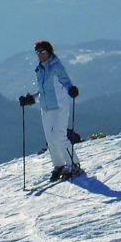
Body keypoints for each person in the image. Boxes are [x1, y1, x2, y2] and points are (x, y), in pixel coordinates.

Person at [18, 40, 82, 181]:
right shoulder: (40, 69)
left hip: (59, 107)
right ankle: (59, 165)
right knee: (51, 140)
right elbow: (42, 92)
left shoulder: (56, 66)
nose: (40, 55)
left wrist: (71, 89)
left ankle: (74, 164)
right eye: (37, 52)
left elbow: (66, 81)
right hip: (46, 109)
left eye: (42, 52)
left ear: (49, 52)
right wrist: (30, 99)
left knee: (59, 137)